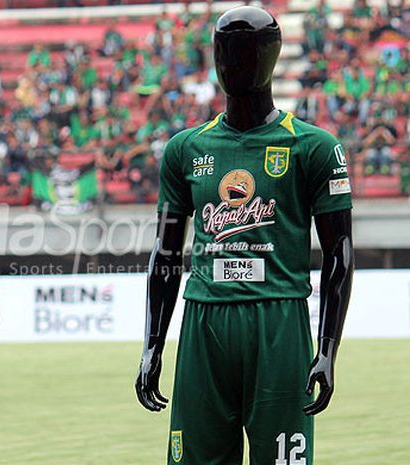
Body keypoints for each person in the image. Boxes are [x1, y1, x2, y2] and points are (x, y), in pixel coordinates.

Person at [135, 6, 354, 465]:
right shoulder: (185, 149)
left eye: (248, 52)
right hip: (203, 321)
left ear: (271, 58)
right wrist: (153, 344)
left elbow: (339, 252)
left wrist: (328, 348)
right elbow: (166, 251)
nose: (233, 64)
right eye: (224, 52)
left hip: (280, 323)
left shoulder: (313, 147)